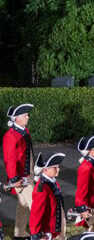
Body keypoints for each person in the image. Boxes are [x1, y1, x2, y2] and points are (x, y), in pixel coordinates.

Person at [4, 103, 35, 240]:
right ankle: (40, 235)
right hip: (21, 177)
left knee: (22, 205)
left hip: (29, 172)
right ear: (16, 118)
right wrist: (14, 179)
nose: (28, 117)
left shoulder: (24, 130)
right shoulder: (10, 136)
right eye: (25, 115)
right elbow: (9, 160)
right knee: (37, 205)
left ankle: (19, 233)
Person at [30, 153, 66, 240]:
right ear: (45, 169)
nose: (58, 169)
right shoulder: (42, 188)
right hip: (49, 229)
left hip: (56, 226)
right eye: (55, 167)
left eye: (58, 166)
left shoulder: (53, 182)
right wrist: (37, 234)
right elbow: (36, 213)